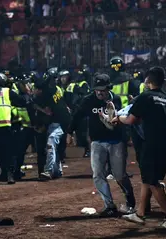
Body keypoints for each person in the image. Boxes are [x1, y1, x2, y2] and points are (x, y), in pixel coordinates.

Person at [112, 66, 166, 228]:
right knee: (147, 179)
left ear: (148, 81)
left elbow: (130, 120)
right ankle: (140, 213)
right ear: (164, 81)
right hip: (165, 146)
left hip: (151, 145)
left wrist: (118, 118)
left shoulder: (146, 96)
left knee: (153, 182)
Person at [71, 73, 136, 217]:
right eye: (97, 89)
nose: (99, 92)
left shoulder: (116, 99)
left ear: (108, 88)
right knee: (98, 175)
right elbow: (77, 115)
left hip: (116, 142)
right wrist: (69, 132)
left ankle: (130, 201)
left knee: (119, 175)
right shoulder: (88, 100)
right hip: (97, 142)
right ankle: (110, 206)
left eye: (102, 89)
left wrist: (111, 122)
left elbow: (117, 121)